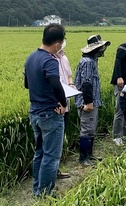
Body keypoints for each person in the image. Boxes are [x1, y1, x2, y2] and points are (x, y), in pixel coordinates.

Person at [24, 23, 67, 197]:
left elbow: (27, 84)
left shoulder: (31, 57)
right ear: (57, 45)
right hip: (50, 113)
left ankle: (37, 190)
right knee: (51, 156)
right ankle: (45, 195)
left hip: (35, 112)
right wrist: (63, 104)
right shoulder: (49, 60)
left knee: (40, 153)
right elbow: (56, 84)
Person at [74, 34, 110, 166]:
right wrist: (88, 102)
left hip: (92, 101)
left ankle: (90, 155)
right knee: (87, 129)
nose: (102, 50)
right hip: (87, 102)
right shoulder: (88, 62)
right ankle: (84, 158)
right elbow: (86, 83)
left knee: (91, 128)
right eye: (101, 48)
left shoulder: (91, 61)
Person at [54, 39, 74, 179]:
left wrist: (71, 84)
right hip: (56, 106)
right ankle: (52, 172)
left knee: (60, 138)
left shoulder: (64, 58)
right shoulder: (49, 60)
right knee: (53, 141)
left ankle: (56, 169)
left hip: (65, 103)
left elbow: (68, 75)